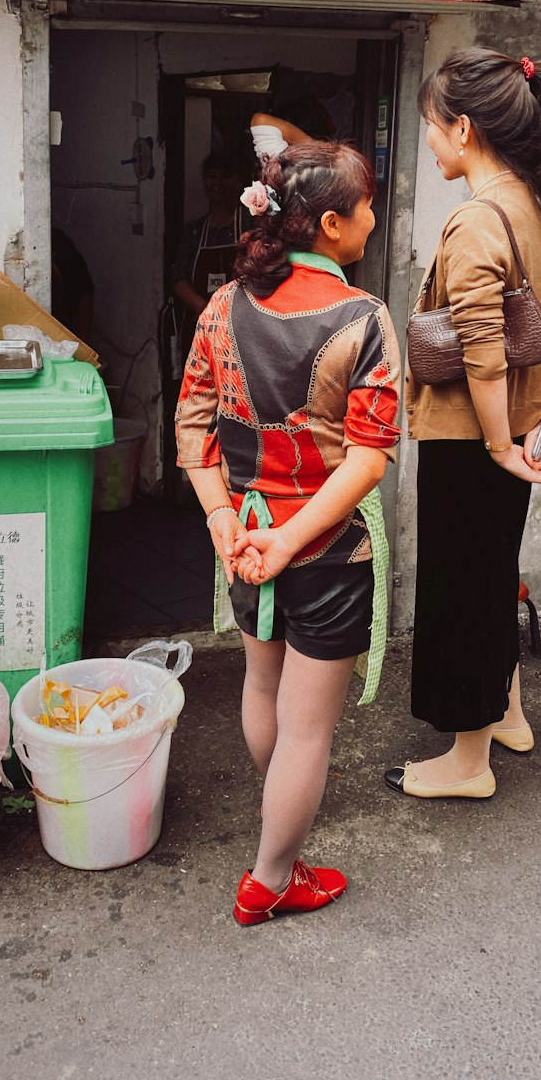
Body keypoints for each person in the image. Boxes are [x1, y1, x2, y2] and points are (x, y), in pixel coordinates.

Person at [175, 141, 401, 924]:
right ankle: (272, 879)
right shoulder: (364, 319)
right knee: (308, 731)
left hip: (247, 539)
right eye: (367, 205)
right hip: (327, 549)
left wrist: (223, 521)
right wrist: (292, 536)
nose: (375, 217)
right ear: (332, 224)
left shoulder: (220, 306)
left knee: (261, 687)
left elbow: (193, 426)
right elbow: (367, 462)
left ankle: (283, 827)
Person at [386, 48, 541, 800]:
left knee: (462, 590)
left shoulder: (477, 218)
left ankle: (467, 762)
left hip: (474, 437)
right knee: (491, 576)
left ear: (463, 128)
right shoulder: (524, 202)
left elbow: (483, 353)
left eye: (431, 126)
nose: (429, 142)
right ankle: (507, 712)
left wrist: (492, 443)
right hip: (516, 428)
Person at [171, 150, 245, 324]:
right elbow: (178, 278)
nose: (218, 183)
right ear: (204, 182)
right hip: (203, 322)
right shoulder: (194, 230)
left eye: (226, 176)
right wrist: (203, 308)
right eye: (211, 176)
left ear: (239, 180)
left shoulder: (253, 225)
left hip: (241, 321)